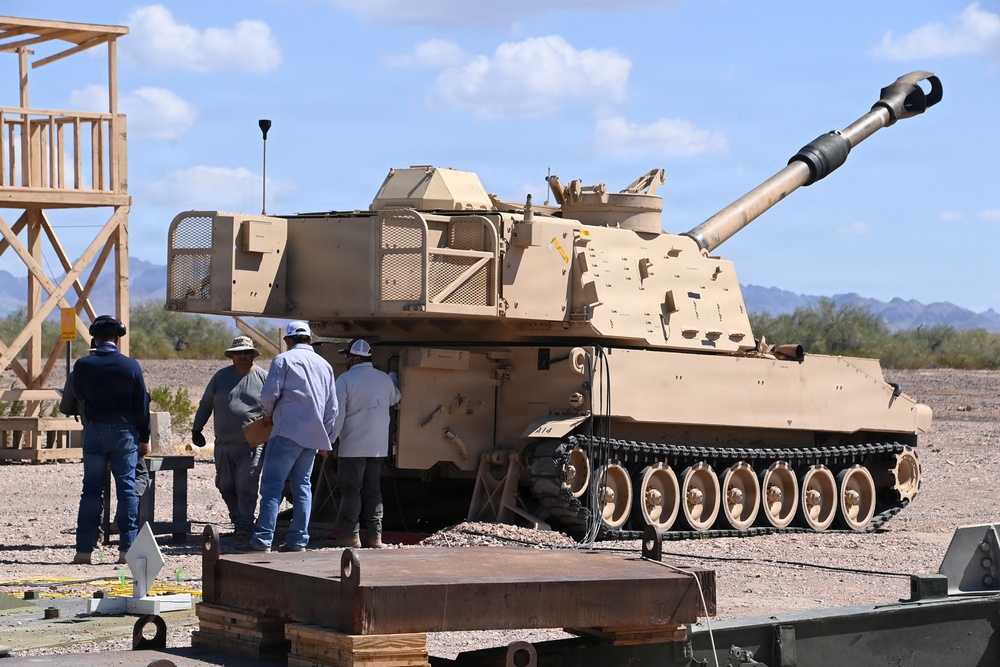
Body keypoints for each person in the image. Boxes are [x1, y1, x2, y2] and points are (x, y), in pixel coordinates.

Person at [244, 321, 337, 553]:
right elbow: (332, 408)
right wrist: (326, 436)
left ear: (288, 340)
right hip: (312, 438)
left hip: (286, 431)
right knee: (303, 486)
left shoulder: (283, 360)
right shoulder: (325, 365)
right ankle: (298, 541)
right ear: (310, 340)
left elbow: (269, 394)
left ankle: (263, 539)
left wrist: (267, 415)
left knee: (272, 486)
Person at [71, 316, 150, 565]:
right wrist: (145, 437)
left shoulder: (83, 365)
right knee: (126, 490)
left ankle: (84, 550)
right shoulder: (131, 366)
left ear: (94, 337)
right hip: (124, 434)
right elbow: (142, 405)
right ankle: (126, 549)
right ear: (117, 338)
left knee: (92, 491)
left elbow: (78, 394)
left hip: (95, 432)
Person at [191, 335, 268, 551]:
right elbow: (206, 404)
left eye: (246, 352)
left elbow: (274, 408)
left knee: (246, 488)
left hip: (251, 445)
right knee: (225, 485)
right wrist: (197, 428)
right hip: (224, 443)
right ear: (232, 356)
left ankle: (244, 531)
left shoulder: (264, 378)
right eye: (238, 353)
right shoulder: (220, 377)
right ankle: (239, 521)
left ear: (253, 355)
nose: (242, 356)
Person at [330, 338, 401, 548]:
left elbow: (338, 414)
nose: (346, 359)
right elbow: (395, 398)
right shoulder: (384, 379)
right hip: (378, 447)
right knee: (373, 491)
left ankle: (351, 535)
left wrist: (330, 440)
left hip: (352, 447)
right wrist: (394, 377)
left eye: (347, 356)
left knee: (352, 491)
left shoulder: (345, 380)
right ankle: (375, 536)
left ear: (356, 358)